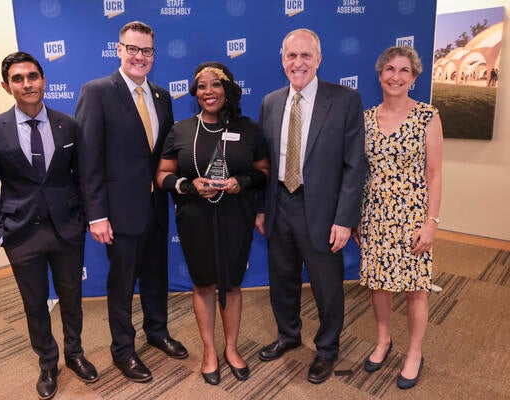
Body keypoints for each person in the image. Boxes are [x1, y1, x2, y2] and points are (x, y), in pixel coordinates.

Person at [0, 51, 98, 400]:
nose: (27, 84)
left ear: (43, 80)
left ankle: (75, 354)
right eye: (18, 78)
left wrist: (84, 220)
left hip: (67, 229)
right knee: (35, 303)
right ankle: (48, 362)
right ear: (6, 86)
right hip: (20, 233)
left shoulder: (68, 124)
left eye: (32, 76)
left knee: (72, 297)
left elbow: (82, 178)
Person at [75, 21, 187, 383]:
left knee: (156, 276)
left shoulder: (161, 96)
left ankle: (157, 332)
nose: (140, 57)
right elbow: (88, 159)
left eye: (147, 51)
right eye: (133, 49)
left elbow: (163, 155)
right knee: (122, 285)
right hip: (118, 213)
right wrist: (97, 215)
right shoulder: (97, 92)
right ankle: (123, 350)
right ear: (119, 49)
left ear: (154, 55)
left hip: (156, 209)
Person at [255, 28, 365, 384]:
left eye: (306, 56)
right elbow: (264, 164)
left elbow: (354, 165)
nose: (298, 63)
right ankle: (288, 336)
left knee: (327, 286)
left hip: (322, 211)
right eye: (291, 56)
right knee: (282, 280)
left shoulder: (346, 100)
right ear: (282, 60)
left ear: (319, 59)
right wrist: (261, 208)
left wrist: (345, 220)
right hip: (279, 205)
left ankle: (327, 349)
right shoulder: (271, 101)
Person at [156, 62, 269, 385]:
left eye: (215, 85)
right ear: (195, 92)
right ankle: (209, 351)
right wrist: (188, 186)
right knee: (204, 283)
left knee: (232, 284)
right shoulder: (181, 130)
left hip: (236, 215)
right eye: (202, 86)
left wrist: (242, 182)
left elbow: (264, 170)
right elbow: (162, 175)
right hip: (195, 217)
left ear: (228, 89)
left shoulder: (248, 128)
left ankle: (232, 349)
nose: (209, 92)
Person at [352, 46, 443, 390]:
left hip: (412, 218)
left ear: (414, 78)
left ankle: (415, 352)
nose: (395, 76)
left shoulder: (428, 116)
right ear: (380, 75)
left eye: (404, 70)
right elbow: (360, 173)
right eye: (389, 69)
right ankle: (383, 341)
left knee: (415, 289)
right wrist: (358, 216)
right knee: (378, 284)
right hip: (375, 214)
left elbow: (434, 174)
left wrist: (431, 222)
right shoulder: (366, 118)